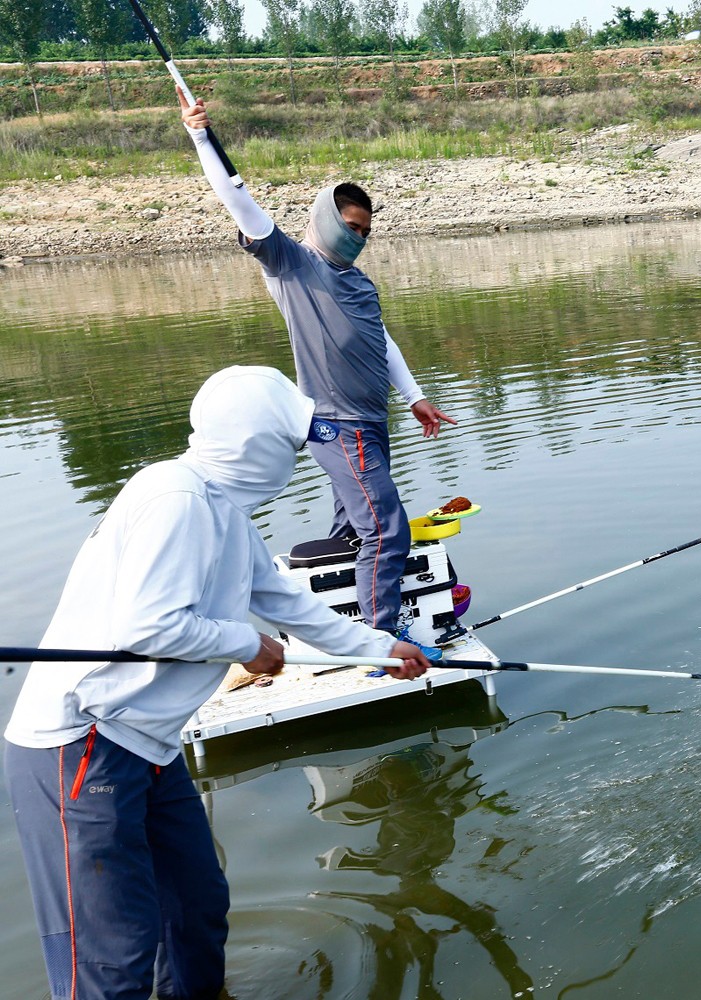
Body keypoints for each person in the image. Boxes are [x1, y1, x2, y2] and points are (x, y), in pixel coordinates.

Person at [4, 366, 432, 1000]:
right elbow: (149, 626)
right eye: (292, 442)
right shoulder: (175, 499)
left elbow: (284, 602)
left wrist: (383, 649)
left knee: (196, 903)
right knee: (112, 949)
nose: (299, 456)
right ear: (256, 442)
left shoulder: (224, 512)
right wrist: (246, 645)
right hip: (83, 739)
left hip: (146, 741)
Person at [179, 89, 457, 659]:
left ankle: (335, 621)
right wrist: (201, 136)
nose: (359, 237)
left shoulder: (359, 281)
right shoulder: (293, 264)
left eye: (366, 231)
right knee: (386, 528)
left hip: (372, 422)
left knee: (354, 530)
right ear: (329, 219)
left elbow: (380, 340)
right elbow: (240, 202)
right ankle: (382, 643)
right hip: (337, 424)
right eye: (352, 226)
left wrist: (414, 397)